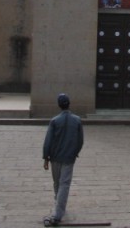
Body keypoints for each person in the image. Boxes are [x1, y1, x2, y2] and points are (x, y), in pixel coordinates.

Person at [42, 93, 84, 227]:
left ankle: (58, 212)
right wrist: (75, 152)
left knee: (58, 183)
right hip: (68, 158)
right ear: (69, 104)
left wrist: (46, 157)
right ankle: (59, 206)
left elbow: (48, 141)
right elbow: (80, 140)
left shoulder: (55, 121)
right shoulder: (77, 120)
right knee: (63, 184)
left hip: (55, 157)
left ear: (59, 105)